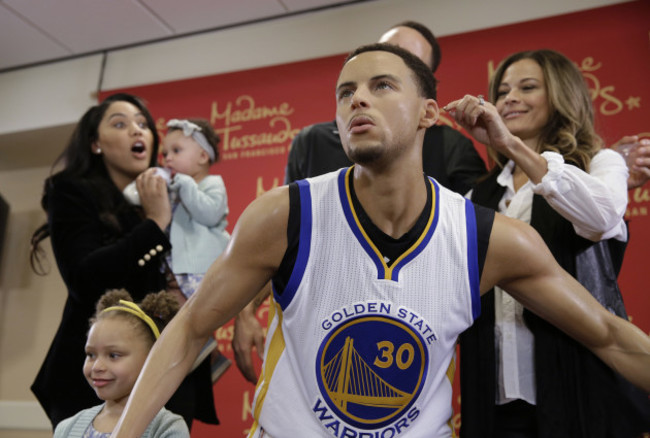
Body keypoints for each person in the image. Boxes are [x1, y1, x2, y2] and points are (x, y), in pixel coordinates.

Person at [112, 43, 650, 438]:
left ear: (429, 114)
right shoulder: (284, 214)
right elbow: (188, 333)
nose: (357, 102)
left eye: (381, 86)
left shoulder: (488, 237)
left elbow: (608, 334)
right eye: (346, 93)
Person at [233, 20, 487, 383]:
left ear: (425, 92)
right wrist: (245, 308)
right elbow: (280, 241)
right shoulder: (313, 142)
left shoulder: (451, 148)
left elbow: (482, 236)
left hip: (405, 334)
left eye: (390, 77)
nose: (364, 94)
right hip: (310, 337)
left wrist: (502, 144)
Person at [444, 50, 650, 437]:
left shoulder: (601, 163)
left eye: (527, 87)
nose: (510, 98)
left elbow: (601, 219)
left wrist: (511, 145)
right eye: (502, 91)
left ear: (560, 95)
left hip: (580, 383)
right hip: (497, 394)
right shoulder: (479, 196)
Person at [29, 93, 218, 429]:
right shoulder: (72, 192)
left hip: (168, 371)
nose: (137, 130)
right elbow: (83, 278)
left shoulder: (172, 195)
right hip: (97, 380)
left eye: (143, 124)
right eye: (121, 123)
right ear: (95, 144)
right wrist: (155, 223)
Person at [53, 289, 189, 437]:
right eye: (91, 354)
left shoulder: (166, 427)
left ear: (151, 360)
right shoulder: (66, 429)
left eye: (113, 355)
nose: (97, 367)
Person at [161, 118, 232, 381]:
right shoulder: (175, 188)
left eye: (176, 151)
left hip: (199, 264)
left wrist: (185, 186)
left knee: (188, 311)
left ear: (203, 156)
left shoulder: (212, 184)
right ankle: (207, 357)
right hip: (177, 263)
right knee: (172, 311)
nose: (168, 158)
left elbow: (210, 213)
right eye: (165, 153)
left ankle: (207, 352)